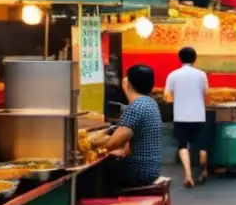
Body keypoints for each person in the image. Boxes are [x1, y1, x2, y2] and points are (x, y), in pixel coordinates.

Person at [88, 64, 162, 192]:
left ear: (127, 82)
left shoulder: (136, 107)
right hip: (150, 169)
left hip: (137, 172)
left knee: (90, 175)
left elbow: (113, 143)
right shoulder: (150, 103)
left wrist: (90, 144)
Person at [167, 46, 209, 187]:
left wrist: (176, 99)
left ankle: (188, 175)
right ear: (194, 59)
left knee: (183, 145)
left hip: (181, 115)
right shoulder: (202, 75)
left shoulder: (173, 75)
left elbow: (167, 97)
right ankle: (203, 168)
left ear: (180, 59)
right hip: (199, 115)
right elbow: (206, 94)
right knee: (201, 143)